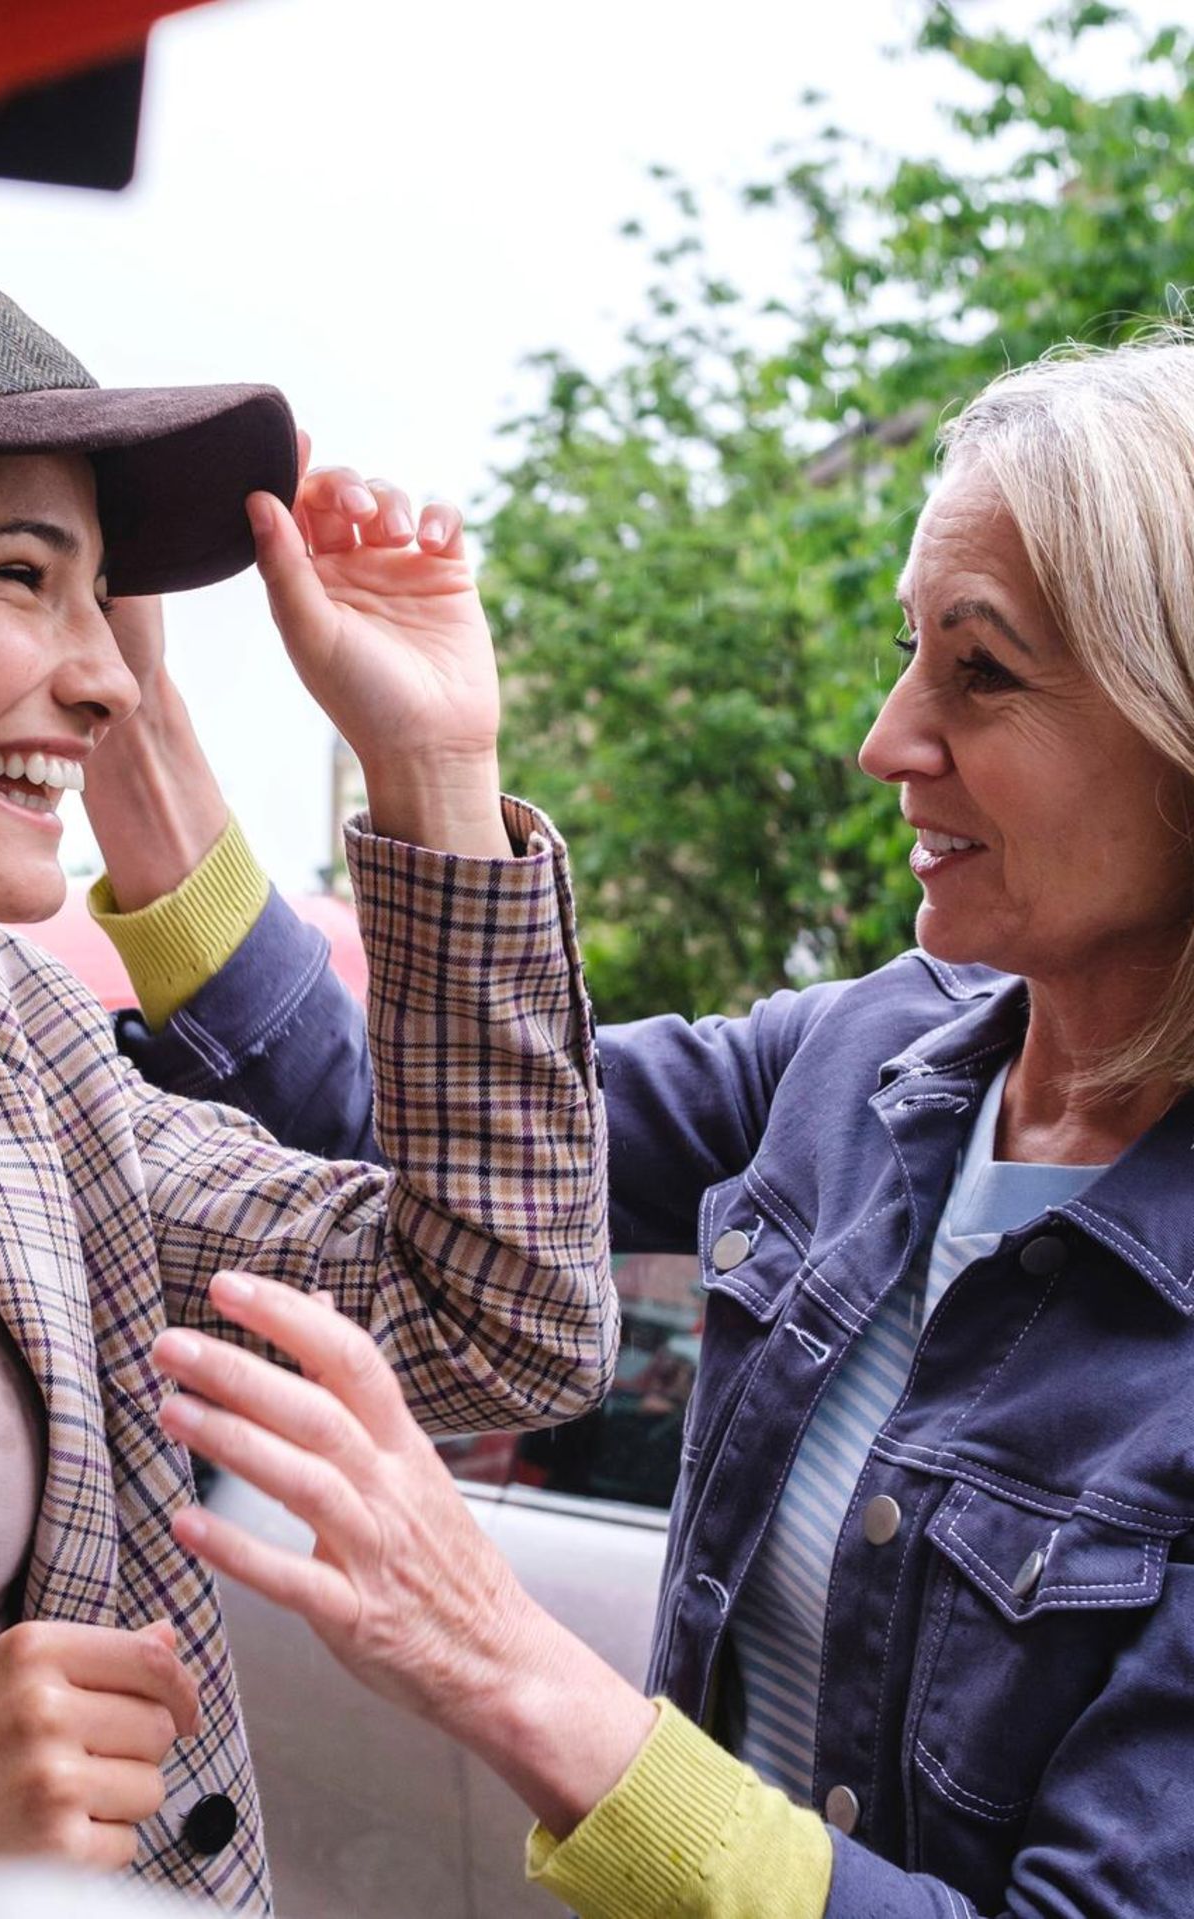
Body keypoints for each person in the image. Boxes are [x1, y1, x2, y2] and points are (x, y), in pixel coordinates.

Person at [151, 335, 1194, 1919]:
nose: (890, 740)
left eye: (981, 672)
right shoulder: (862, 1057)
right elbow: (407, 1130)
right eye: (908, 654)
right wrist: (373, 751)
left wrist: (514, 1672)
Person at [0, 251, 617, 1912]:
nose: (115, 679)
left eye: (110, 603)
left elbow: (501, 1319)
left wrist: (432, 770)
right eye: (24, 575)